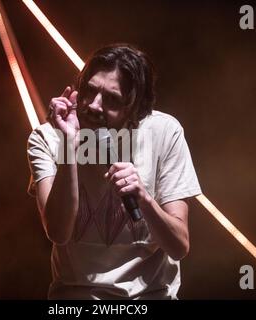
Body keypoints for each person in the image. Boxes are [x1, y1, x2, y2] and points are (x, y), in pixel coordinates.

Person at [27, 44, 202, 299]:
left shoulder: (164, 133)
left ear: (136, 108)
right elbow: (58, 232)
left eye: (112, 99)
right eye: (90, 90)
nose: (95, 106)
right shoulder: (48, 138)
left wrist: (144, 199)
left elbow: (179, 246)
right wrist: (69, 146)